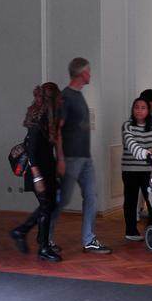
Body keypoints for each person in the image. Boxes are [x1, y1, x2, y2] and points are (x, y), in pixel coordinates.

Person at [58, 57, 108, 254]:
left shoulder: (78, 95)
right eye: (89, 71)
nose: (91, 74)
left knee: (91, 197)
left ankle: (89, 239)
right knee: (62, 200)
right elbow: (57, 129)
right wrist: (60, 158)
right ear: (82, 73)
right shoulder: (66, 97)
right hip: (71, 158)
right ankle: (46, 237)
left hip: (85, 157)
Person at [9, 82, 64, 261]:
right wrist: (37, 177)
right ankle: (43, 247)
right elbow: (32, 151)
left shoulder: (48, 119)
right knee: (47, 206)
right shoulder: (39, 122)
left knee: (49, 205)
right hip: (37, 171)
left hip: (46, 168)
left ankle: (23, 232)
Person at [120, 95, 152, 240]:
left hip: (148, 171)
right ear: (132, 110)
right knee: (131, 201)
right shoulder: (127, 125)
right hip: (130, 170)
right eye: (136, 108)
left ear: (148, 111)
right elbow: (130, 143)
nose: (139, 111)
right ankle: (131, 231)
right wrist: (144, 152)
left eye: (143, 108)